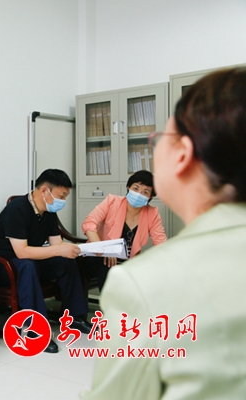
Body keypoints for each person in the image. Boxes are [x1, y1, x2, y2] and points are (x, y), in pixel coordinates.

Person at [81, 67, 246, 399]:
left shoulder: (143, 284)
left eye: (160, 141)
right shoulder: (113, 203)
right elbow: (90, 225)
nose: (141, 192)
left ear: (182, 154)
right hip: (104, 256)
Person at [0, 168, 92, 354]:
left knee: (66, 261)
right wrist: (59, 249)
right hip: (2, 266)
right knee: (27, 265)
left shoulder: (48, 211)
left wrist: (73, 250)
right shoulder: (17, 209)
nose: (63, 201)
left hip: (28, 263)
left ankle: (75, 317)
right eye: (61, 196)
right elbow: (21, 252)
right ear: (44, 191)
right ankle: (36, 330)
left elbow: (57, 244)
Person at [82, 170, 167, 291]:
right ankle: (110, 302)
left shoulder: (152, 214)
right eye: (135, 188)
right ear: (128, 187)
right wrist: (104, 249)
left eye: (145, 192)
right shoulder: (112, 202)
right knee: (108, 266)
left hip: (127, 261)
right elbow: (89, 223)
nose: (139, 194)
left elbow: (160, 243)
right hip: (98, 256)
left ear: (151, 197)